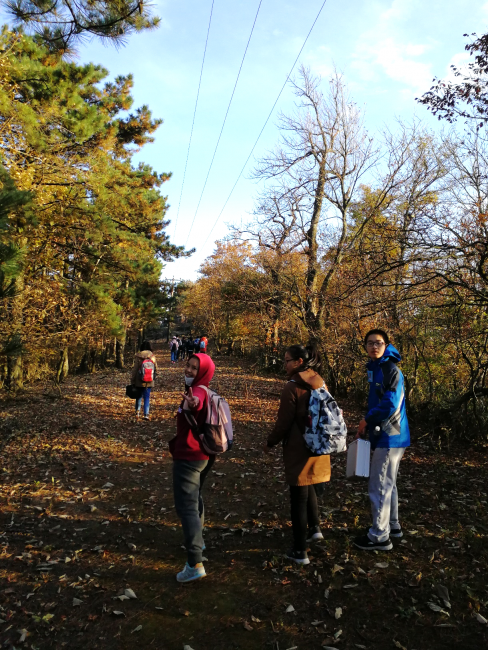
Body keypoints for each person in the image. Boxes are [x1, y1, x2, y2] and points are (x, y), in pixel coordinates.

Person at [264, 344, 330, 565]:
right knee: (310, 484)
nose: (285, 364)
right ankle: (316, 529)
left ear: (299, 361)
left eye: (287, 360)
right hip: (319, 445)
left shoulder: (292, 387)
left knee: (298, 497)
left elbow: (284, 423)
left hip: (299, 447)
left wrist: (270, 442)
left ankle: (300, 551)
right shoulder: (319, 381)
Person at [353, 329, 410, 551]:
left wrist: (366, 421)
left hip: (391, 435)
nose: (374, 347)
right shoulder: (376, 369)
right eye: (369, 343)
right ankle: (392, 526)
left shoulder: (391, 370)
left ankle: (379, 536)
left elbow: (389, 404)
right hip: (385, 433)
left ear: (387, 345)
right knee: (389, 483)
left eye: (378, 343)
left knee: (379, 485)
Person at [169, 353, 216, 583]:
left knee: (186, 506)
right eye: (188, 365)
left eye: (195, 368)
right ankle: (199, 541)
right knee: (195, 499)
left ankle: (194, 563)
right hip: (203, 455)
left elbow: (195, 405)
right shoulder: (202, 389)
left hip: (190, 456)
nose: (188, 370)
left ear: (204, 372)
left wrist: (192, 405)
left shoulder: (197, 393)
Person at [131, 341, 157, 420]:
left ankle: (137, 412)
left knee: (138, 397)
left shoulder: (138, 356)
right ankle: (146, 414)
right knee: (147, 397)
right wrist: (154, 376)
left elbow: (135, 370)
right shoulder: (152, 356)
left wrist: (132, 380)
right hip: (149, 381)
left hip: (139, 380)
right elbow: (156, 369)